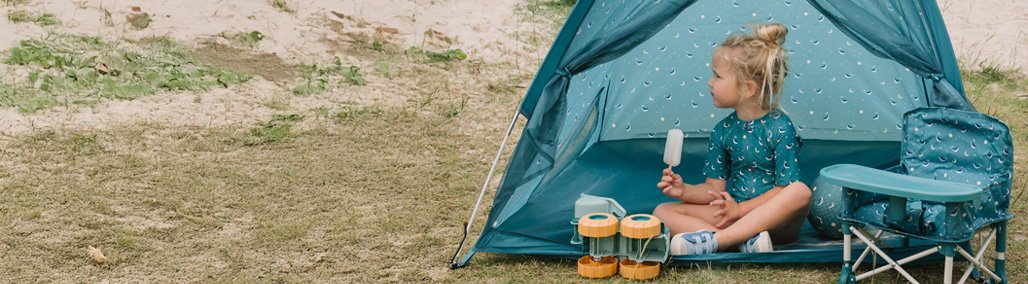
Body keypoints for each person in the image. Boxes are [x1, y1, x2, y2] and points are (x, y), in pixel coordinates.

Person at [652, 23, 811, 255]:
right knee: (662, 212)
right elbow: (712, 188)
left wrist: (740, 210)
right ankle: (742, 241)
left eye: (717, 76)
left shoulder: (780, 127)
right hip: (733, 214)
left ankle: (720, 240)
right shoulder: (722, 130)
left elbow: (783, 189)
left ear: (747, 89)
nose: (710, 82)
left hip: (776, 222)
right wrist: (684, 190)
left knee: (799, 191)